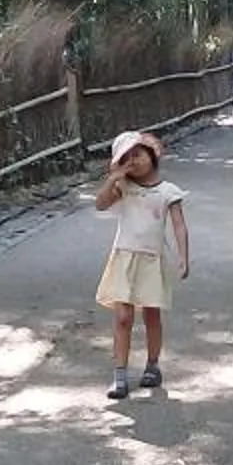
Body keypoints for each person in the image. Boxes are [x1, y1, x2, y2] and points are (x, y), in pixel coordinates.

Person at [93, 128, 189, 400]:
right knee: (123, 317)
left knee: (151, 315)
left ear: (152, 154)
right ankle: (120, 375)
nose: (134, 162)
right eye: (126, 159)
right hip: (124, 257)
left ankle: (152, 365)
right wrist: (113, 178)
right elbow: (100, 204)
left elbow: (179, 226)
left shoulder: (169, 191)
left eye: (138, 154)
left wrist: (183, 257)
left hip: (152, 260)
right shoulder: (123, 189)